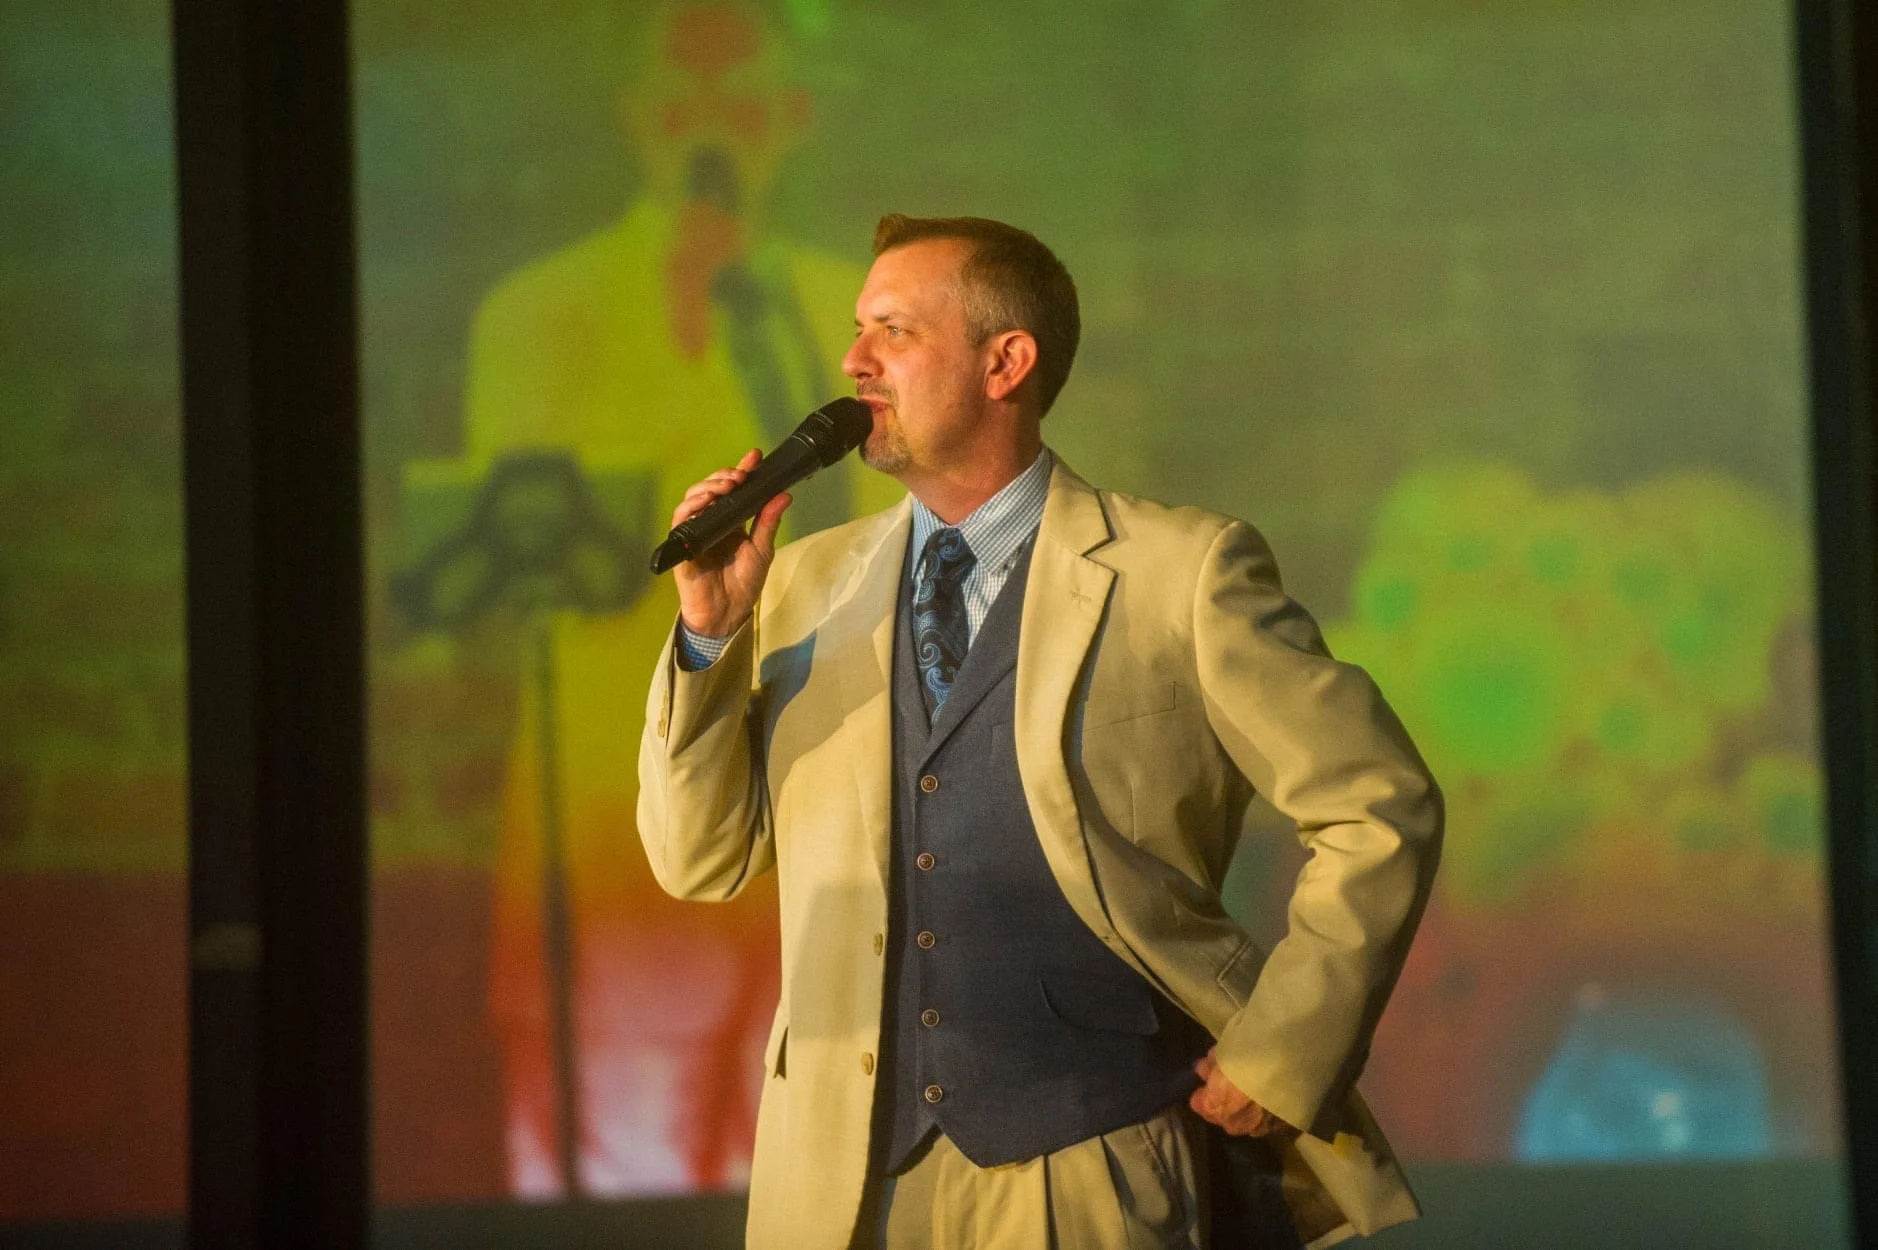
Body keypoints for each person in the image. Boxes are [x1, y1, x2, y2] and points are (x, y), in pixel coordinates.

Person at [637, 214, 1443, 1248]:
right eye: (856, 330)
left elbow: (1379, 803)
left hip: (1091, 1163)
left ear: (1004, 361)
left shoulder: (1180, 571)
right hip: (840, 1183)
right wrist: (709, 635)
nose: (852, 361)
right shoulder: (801, 585)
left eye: (893, 329)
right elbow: (696, 858)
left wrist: (1286, 1045)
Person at [463, 0, 897, 1196]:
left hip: (828, 774)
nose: (712, 128)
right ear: (637, 119)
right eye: (683, 102)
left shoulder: (844, 315)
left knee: (810, 1132)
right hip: (616, 786)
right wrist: (676, 317)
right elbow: (540, 538)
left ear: (792, 121)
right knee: (620, 1126)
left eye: (743, 100)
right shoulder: (538, 309)